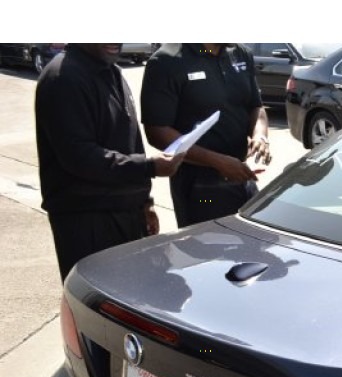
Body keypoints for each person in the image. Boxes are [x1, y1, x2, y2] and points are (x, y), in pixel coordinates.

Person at [34, 43, 182, 281]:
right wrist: (150, 167)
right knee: (96, 309)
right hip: (87, 221)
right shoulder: (63, 77)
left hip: (126, 214)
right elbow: (79, 157)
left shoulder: (112, 70)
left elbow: (130, 141)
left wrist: (146, 202)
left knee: (131, 297)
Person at [140, 44, 272, 228]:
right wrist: (217, 161)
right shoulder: (166, 61)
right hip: (199, 190)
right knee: (209, 250)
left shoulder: (240, 53)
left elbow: (255, 106)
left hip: (241, 177)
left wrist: (260, 136)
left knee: (253, 246)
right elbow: (157, 131)